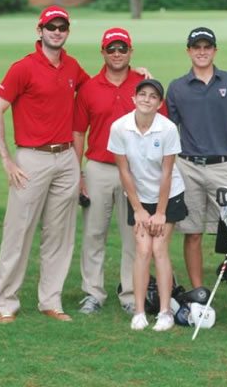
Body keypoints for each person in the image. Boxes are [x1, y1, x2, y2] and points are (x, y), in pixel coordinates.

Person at [0, 5, 89, 324]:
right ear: (40, 30)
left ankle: (51, 301)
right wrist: (6, 159)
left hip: (67, 158)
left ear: (67, 31)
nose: (56, 32)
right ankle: (5, 304)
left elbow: (97, 88)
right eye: (51, 27)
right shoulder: (23, 68)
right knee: (18, 232)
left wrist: (135, 75)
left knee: (59, 234)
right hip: (31, 158)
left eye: (62, 27)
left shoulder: (72, 66)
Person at [72, 27, 161, 315]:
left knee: (134, 235)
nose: (117, 53)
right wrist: (78, 173)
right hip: (98, 168)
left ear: (130, 51)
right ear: (103, 52)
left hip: (136, 171)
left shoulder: (144, 85)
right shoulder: (89, 87)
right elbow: (78, 132)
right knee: (93, 234)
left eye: (122, 48)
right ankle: (93, 293)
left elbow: (161, 125)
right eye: (111, 48)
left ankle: (130, 294)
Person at [166, 27, 227, 294]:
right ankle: (199, 291)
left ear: (215, 50)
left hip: (223, 166)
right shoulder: (177, 87)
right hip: (188, 166)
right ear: (189, 51)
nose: (202, 52)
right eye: (197, 47)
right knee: (193, 232)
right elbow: (168, 129)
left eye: (207, 47)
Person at [107, 79, 187, 331]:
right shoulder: (119, 127)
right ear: (134, 98)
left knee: (159, 248)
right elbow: (124, 171)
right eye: (142, 94)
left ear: (159, 103)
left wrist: (160, 213)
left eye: (153, 96)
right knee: (142, 250)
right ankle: (139, 312)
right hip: (138, 196)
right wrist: (139, 209)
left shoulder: (168, 129)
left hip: (169, 195)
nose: (147, 99)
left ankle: (165, 312)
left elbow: (167, 172)